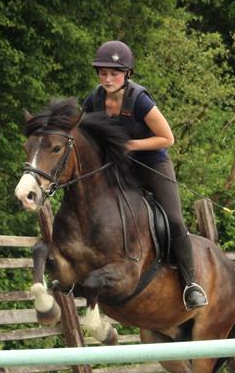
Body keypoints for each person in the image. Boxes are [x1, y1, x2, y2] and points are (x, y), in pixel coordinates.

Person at [82, 40, 209, 310]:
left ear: (127, 73)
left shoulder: (140, 100)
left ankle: (191, 283)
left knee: (174, 220)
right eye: (102, 73)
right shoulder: (93, 100)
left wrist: (129, 146)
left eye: (114, 73)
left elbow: (167, 138)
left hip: (152, 165)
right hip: (119, 167)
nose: (107, 79)